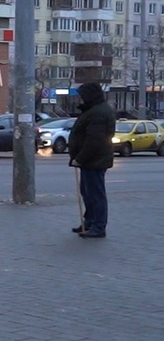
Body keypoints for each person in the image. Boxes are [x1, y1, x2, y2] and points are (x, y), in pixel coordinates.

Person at [68, 81, 116, 239]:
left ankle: (98, 226)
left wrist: (80, 159)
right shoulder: (94, 110)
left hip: (94, 160)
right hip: (91, 160)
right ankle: (90, 222)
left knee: (95, 194)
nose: (79, 100)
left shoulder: (98, 113)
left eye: (82, 96)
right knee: (88, 192)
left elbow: (94, 140)